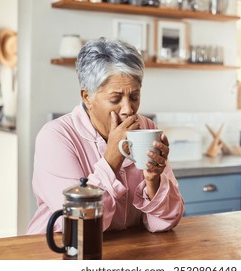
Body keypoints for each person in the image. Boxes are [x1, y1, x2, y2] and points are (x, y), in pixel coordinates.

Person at [27, 38, 184, 234]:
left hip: (124, 253)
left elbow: (166, 222)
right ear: (87, 97)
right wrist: (111, 162)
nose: (128, 109)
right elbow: (80, 226)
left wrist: (154, 180)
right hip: (58, 251)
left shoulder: (147, 128)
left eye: (134, 97)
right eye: (115, 98)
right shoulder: (55, 137)